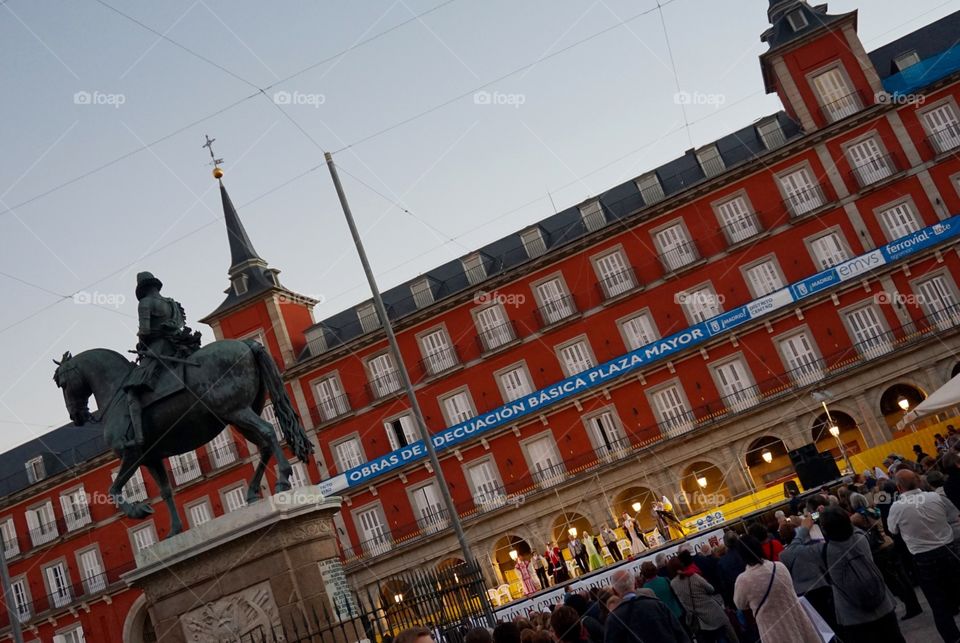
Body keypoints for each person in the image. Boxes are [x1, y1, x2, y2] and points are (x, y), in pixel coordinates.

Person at [123, 272, 197, 451]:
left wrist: (141, 343)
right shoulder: (172, 303)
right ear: (155, 285)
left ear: (142, 289)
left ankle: (139, 438)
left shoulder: (145, 303)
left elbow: (146, 331)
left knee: (132, 391)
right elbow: (178, 325)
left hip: (159, 348)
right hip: (180, 347)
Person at [887, 469, 960, 642]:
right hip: (948, 550)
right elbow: (953, 516)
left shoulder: (897, 507)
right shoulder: (935, 497)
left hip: (923, 558)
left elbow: (892, 530)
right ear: (919, 481)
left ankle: (953, 638)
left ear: (898, 487)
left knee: (938, 604)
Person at [819, 507, 904, 643]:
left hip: (853, 614)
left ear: (825, 530)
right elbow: (855, 528)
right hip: (882, 602)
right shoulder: (861, 538)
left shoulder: (827, 551)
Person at [733, 535, 821, 643]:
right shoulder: (780, 567)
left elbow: (740, 604)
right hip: (797, 621)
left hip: (774, 632)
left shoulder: (743, 580)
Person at [778, 520, 836, 631]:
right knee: (831, 619)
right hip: (822, 586)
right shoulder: (811, 547)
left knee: (818, 627)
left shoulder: (783, 555)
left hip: (803, 594)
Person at [604, 569, 689, 643]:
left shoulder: (613, 620)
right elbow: (680, 634)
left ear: (614, 591)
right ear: (635, 584)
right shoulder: (656, 605)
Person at [669, 552, 735, 642]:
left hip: (698, 620)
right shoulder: (693, 576)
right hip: (712, 611)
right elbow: (711, 589)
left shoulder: (673, 584)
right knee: (729, 634)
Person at [717, 530, 746, 607]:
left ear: (726, 544)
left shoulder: (722, 562)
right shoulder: (746, 551)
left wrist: (729, 603)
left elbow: (724, 584)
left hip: (738, 594)